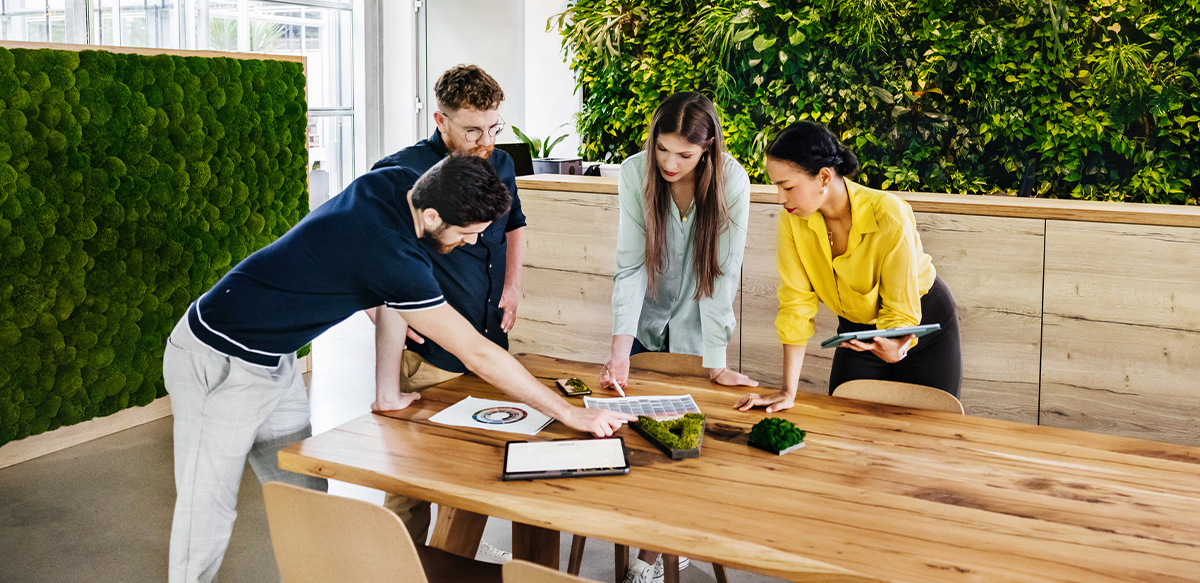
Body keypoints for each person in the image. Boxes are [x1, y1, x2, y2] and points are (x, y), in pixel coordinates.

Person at [163, 155, 633, 583]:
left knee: (304, 495)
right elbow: (477, 352)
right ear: (432, 217)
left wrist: (386, 393)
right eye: (468, 232)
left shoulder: (401, 185)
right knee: (208, 511)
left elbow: (389, 296)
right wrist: (570, 414)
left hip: (276, 356)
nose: (472, 241)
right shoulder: (390, 251)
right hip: (218, 357)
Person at [597, 91, 754, 583]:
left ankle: (652, 556)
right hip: (644, 325)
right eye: (662, 149)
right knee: (639, 445)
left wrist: (716, 359)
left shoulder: (731, 179)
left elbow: (722, 274)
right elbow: (630, 266)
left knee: (683, 452)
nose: (669, 163)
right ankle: (648, 540)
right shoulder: (633, 172)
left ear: (707, 148)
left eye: (684, 154)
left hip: (696, 330)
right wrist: (619, 351)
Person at [368, 65, 526, 553]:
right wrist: (381, 312)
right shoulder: (400, 173)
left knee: (477, 464)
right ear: (441, 119)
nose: (485, 140)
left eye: (493, 127)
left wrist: (514, 285)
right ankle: (404, 565)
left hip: (488, 342)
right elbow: (368, 251)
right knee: (411, 479)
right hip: (429, 352)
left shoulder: (498, 162)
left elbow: (516, 223)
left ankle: (453, 554)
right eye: (472, 129)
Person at [735, 120, 962, 416]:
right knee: (845, 424)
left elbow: (901, 310)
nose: (780, 198)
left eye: (787, 186)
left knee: (928, 432)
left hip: (921, 324)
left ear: (824, 177)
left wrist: (895, 346)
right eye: (776, 185)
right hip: (858, 332)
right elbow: (796, 303)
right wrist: (788, 391)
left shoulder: (889, 215)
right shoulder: (793, 219)